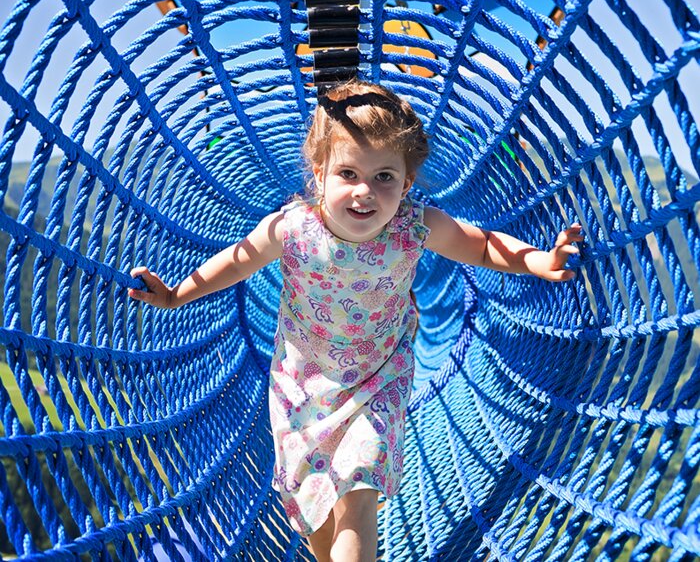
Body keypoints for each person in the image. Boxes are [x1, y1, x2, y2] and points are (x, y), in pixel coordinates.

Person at [128, 81, 583, 562]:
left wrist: (538, 261)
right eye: (348, 173)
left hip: (378, 378)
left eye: (385, 176)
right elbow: (237, 262)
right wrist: (178, 294)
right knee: (315, 514)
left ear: (407, 183)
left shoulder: (414, 225)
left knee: (358, 489)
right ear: (320, 174)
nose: (365, 191)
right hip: (302, 385)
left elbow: (483, 245)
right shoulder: (293, 228)